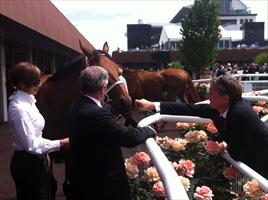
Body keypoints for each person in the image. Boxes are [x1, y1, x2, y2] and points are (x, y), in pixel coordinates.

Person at [135, 74, 268, 179]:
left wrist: (225, 148)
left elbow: (239, 153)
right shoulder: (224, 108)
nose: (208, 96)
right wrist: (152, 105)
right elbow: (190, 108)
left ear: (225, 98)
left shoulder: (239, 114)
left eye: (212, 93)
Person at [65, 66, 156, 200]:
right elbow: (128, 138)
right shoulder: (98, 114)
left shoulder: (74, 107)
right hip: (102, 186)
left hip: (81, 180)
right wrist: (149, 130)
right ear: (103, 89)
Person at [8, 61, 69, 200]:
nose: (40, 84)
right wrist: (61, 143)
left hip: (36, 159)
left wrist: (45, 154)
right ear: (22, 85)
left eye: (39, 80)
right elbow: (31, 145)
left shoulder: (29, 100)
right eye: (35, 82)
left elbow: (36, 134)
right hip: (27, 164)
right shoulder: (19, 109)